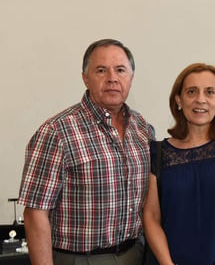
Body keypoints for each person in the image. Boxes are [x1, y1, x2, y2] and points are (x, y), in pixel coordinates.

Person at [17, 39, 155, 265]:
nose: (112, 78)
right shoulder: (57, 131)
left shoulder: (142, 129)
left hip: (135, 254)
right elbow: (35, 213)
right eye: (101, 70)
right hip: (79, 259)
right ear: (85, 78)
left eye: (120, 70)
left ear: (131, 78)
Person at [143, 63, 215, 265]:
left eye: (210, 92)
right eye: (191, 92)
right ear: (179, 100)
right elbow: (151, 216)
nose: (201, 99)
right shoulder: (159, 153)